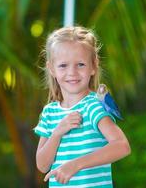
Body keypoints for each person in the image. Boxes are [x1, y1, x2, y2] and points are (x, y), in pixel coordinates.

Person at [34, 26, 131, 187]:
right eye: (63, 65)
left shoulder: (93, 106)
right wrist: (58, 132)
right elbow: (42, 165)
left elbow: (122, 146)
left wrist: (75, 164)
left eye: (80, 64)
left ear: (93, 66)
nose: (72, 72)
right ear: (51, 68)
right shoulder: (49, 113)